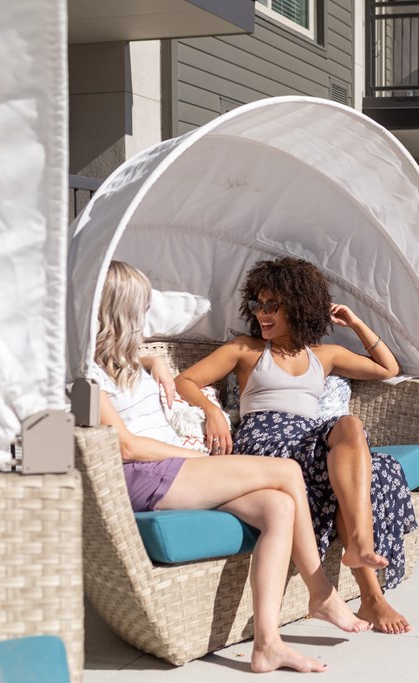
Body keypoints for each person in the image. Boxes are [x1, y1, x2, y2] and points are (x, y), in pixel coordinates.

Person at [92, 261, 370, 674]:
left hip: (170, 471)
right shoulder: (85, 374)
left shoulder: (127, 359)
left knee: (279, 507)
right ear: (122, 312)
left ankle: (267, 644)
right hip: (147, 474)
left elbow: (144, 372)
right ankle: (321, 591)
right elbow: (126, 447)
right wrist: (198, 457)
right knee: (287, 472)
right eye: (141, 306)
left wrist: (155, 363)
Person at [175, 257, 417, 635]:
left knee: (361, 445)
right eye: (258, 305)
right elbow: (185, 381)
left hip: (309, 438)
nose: (264, 315)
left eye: (274, 306)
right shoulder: (246, 349)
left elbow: (388, 369)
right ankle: (369, 582)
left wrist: (355, 322)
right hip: (266, 441)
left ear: (300, 306)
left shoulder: (323, 355)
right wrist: (213, 411)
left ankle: (366, 578)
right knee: (351, 461)